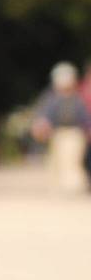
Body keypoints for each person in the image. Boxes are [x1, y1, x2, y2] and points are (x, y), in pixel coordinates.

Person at [31, 62, 91, 193]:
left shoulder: (77, 98)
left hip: (75, 134)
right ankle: (58, 185)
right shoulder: (51, 98)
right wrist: (42, 124)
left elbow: (85, 116)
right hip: (57, 133)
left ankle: (74, 185)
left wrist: (88, 127)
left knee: (72, 160)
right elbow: (44, 114)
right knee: (56, 160)